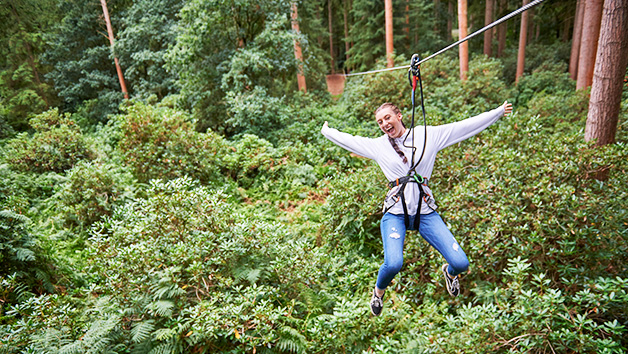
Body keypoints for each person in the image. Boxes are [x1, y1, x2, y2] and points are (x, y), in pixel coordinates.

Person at [321, 101, 513, 316]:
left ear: (400, 116)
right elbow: (350, 141)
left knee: (461, 263)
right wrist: (327, 131)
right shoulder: (379, 146)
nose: (384, 124)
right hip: (395, 213)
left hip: (425, 213)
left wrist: (496, 113)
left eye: (387, 118)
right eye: (380, 122)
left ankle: (449, 274)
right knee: (393, 264)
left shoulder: (427, 136)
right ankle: (378, 293)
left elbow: (463, 127)